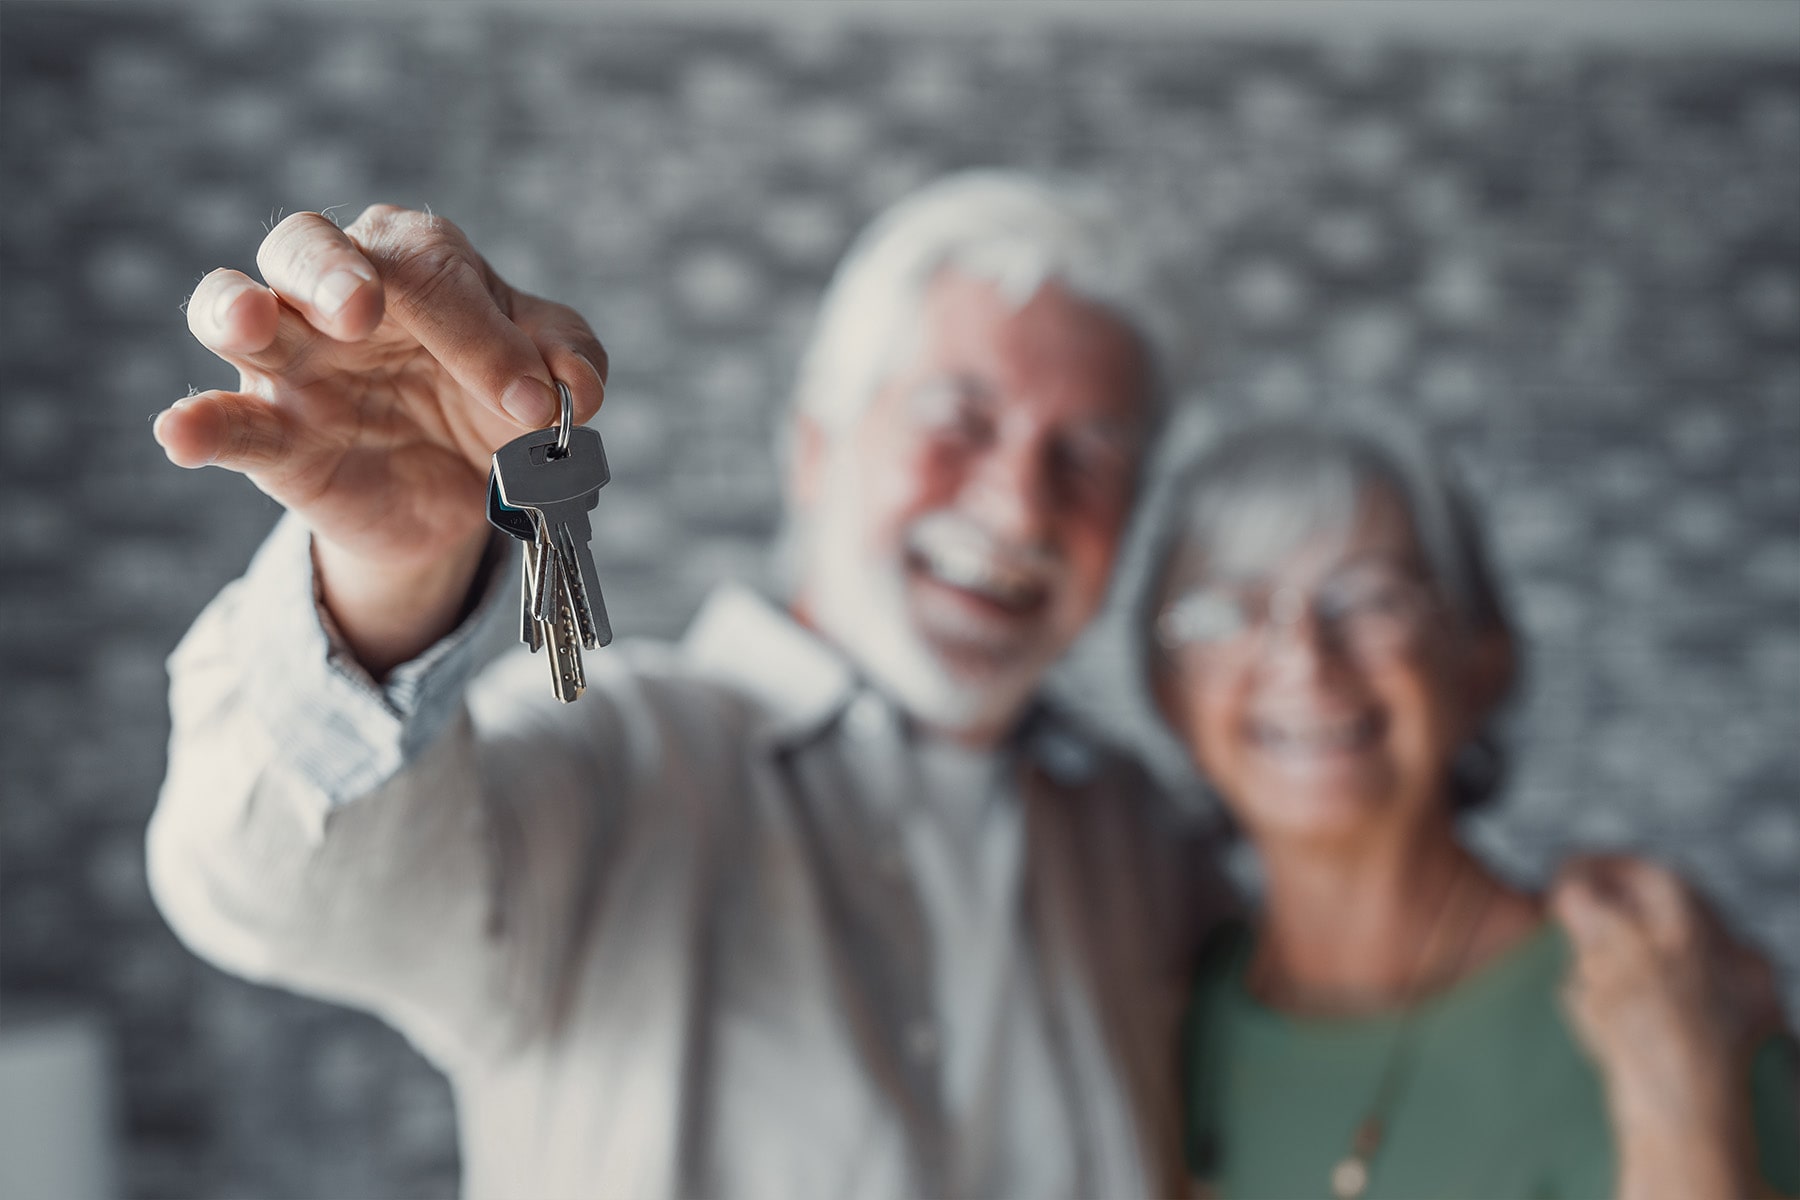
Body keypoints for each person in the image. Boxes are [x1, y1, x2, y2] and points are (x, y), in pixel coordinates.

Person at [146, 172, 1229, 1200]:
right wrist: (390, 574)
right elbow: (271, 890)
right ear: (813, 450)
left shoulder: (1149, 841)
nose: (1022, 510)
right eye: (959, 424)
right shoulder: (613, 753)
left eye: (1089, 458)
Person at [1141, 415, 1799, 1199]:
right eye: (1228, 611)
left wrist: (1681, 1097)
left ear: (1482, 661)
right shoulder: (1169, 1018)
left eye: (1370, 599)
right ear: (1168, 694)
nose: (1303, 659)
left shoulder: (1667, 998)